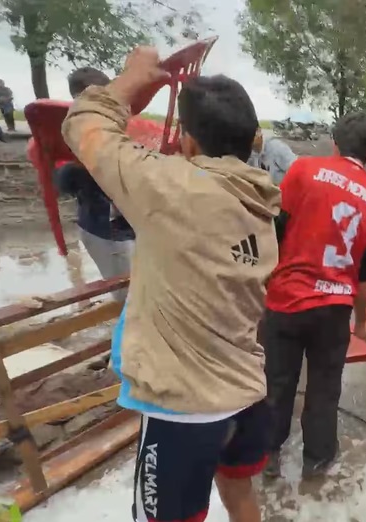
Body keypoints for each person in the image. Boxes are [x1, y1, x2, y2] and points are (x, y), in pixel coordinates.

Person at [62, 47, 282, 522]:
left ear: (186, 141)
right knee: (239, 493)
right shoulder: (262, 204)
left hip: (182, 411)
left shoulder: (168, 188)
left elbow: (82, 124)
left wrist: (128, 82)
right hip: (245, 393)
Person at [261, 112, 366, 479]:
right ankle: (317, 457)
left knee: (276, 380)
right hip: (334, 309)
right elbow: (365, 276)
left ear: (334, 143)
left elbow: (276, 230)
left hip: (285, 299)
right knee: (324, 385)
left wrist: (267, 281)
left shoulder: (303, 171)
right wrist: (362, 321)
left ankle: (267, 453)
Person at [54, 67, 134, 303]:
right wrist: (80, 166)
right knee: (127, 295)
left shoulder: (117, 125)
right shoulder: (72, 132)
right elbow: (61, 181)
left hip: (127, 225)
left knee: (141, 287)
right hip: (104, 229)